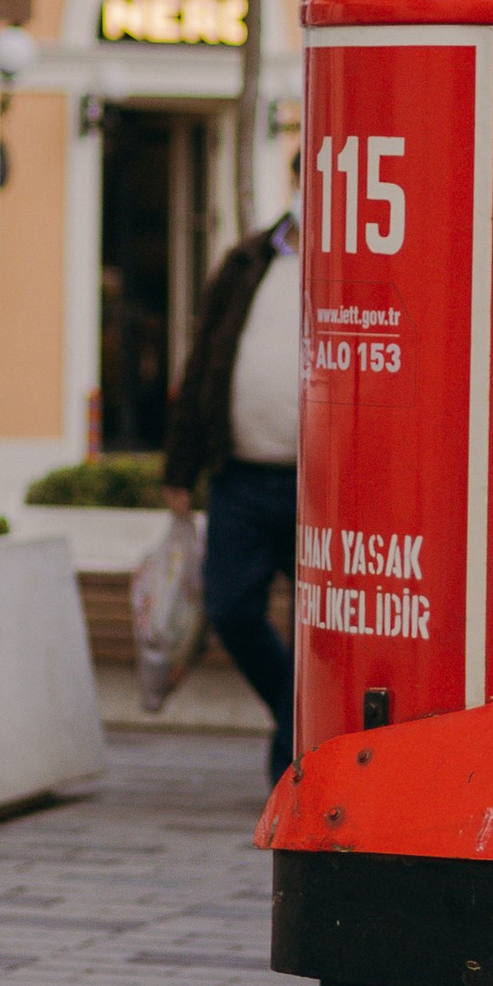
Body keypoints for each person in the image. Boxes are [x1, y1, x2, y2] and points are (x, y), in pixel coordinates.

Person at [162, 207, 300, 782]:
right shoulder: (248, 260)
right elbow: (204, 362)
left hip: (317, 487)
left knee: (316, 629)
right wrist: (180, 468)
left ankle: (290, 763)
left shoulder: (352, 260)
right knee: (229, 608)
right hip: (239, 476)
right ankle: (296, 716)